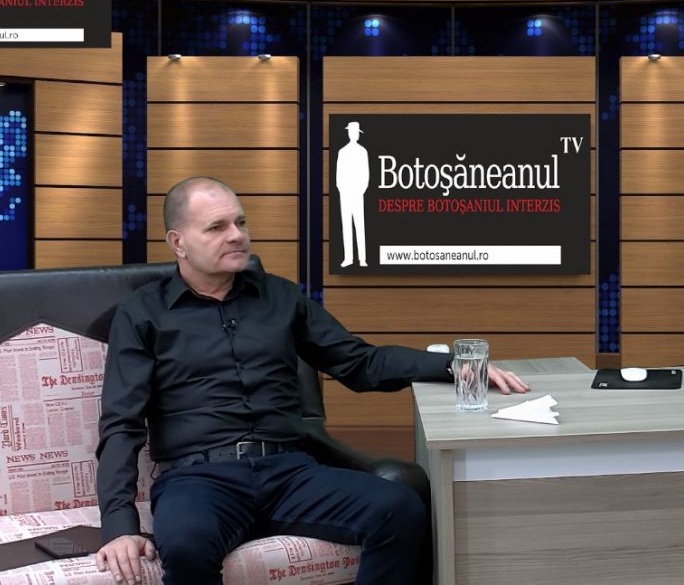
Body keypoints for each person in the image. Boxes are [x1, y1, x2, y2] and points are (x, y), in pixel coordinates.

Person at [94, 176, 529, 585]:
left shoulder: (281, 297)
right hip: (199, 479)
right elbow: (122, 423)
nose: (237, 235)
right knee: (186, 545)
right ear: (178, 242)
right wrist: (119, 525)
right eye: (217, 227)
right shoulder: (142, 314)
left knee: (399, 508)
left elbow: (359, 363)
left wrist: (453, 366)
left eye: (241, 222)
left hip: (289, 471)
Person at [336, 121, 369, 268]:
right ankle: (348, 258)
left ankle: (362, 259)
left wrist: (361, 189)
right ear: (349, 133)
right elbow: (338, 175)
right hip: (345, 193)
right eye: (351, 131)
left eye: (355, 132)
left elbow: (366, 174)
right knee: (346, 226)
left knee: (359, 225)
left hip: (357, 193)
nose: (353, 134)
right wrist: (342, 189)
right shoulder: (342, 152)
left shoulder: (363, 151)